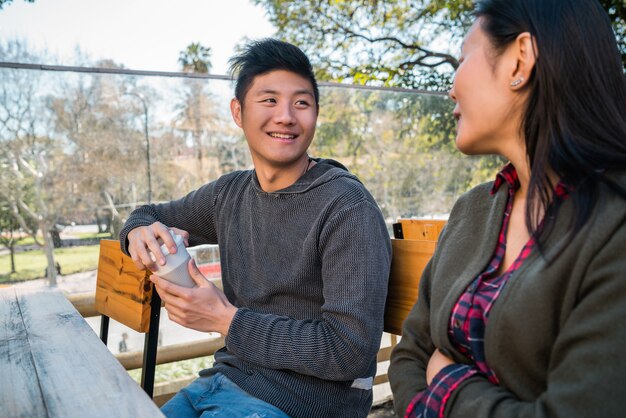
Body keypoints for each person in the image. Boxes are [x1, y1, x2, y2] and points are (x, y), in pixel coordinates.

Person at [119, 39, 391, 418]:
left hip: (301, 403)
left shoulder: (346, 207)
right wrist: (138, 231)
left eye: (301, 103)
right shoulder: (229, 194)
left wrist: (225, 320)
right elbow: (149, 214)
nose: (286, 116)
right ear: (238, 111)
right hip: (224, 380)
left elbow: (349, 350)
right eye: (269, 100)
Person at [388, 1, 626, 417]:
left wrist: (449, 384)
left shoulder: (614, 225)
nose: (451, 86)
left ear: (521, 58)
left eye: (464, 58)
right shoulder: (472, 210)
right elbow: (411, 354)